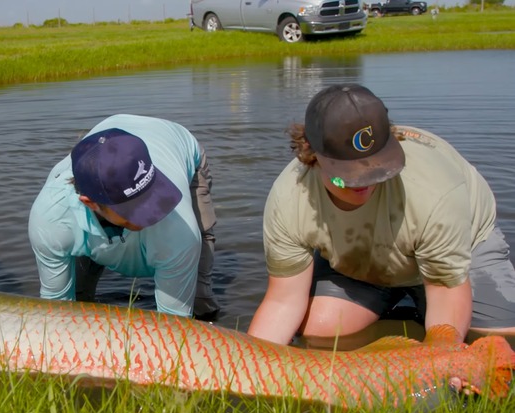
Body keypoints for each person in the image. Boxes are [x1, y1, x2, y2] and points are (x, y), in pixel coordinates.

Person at [248, 83, 515, 345]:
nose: (362, 185)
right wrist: (247, 370)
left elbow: (446, 289)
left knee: (498, 339)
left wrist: (443, 355)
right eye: (346, 177)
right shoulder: (289, 196)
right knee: (318, 330)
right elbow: (283, 300)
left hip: (461, 254)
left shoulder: (434, 190)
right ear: (311, 156)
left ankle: (418, 307)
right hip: (359, 261)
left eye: (377, 171)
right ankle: (405, 310)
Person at [28, 114, 220, 320]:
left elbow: (175, 323)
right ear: (89, 202)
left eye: (152, 195)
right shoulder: (51, 220)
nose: (154, 211)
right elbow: (56, 312)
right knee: (79, 302)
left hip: (175, 142)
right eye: (133, 207)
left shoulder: (179, 228)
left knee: (200, 306)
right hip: (83, 203)